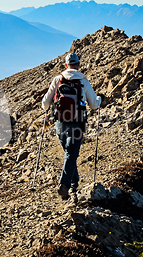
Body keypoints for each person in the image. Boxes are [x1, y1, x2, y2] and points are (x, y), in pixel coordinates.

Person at [42, 53, 101, 199]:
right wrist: (100, 99)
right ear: (78, 65)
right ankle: (64, 185)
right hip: (77, 122)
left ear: (65, 65)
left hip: (60, 123)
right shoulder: (83, 81)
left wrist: (47, 109)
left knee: (69, 153)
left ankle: (74, 182)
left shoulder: (58, 79)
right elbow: (93, 105)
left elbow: (45, 103)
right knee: (71, 154)